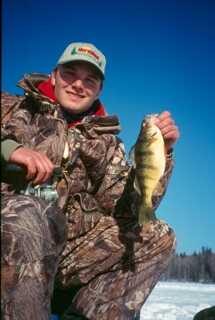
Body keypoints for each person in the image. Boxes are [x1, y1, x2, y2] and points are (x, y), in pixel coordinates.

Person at [1, 42, 180, 320]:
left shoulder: (108, 146)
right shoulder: (11, 108)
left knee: (156, 235)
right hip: (10, 244)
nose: (78, 85)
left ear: (99, 90)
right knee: (28, 214)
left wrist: (163, 154)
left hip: (66, 256)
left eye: (90, 80)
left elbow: (132, 209)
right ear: (54, 75)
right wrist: (10, 149)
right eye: (70, 73)